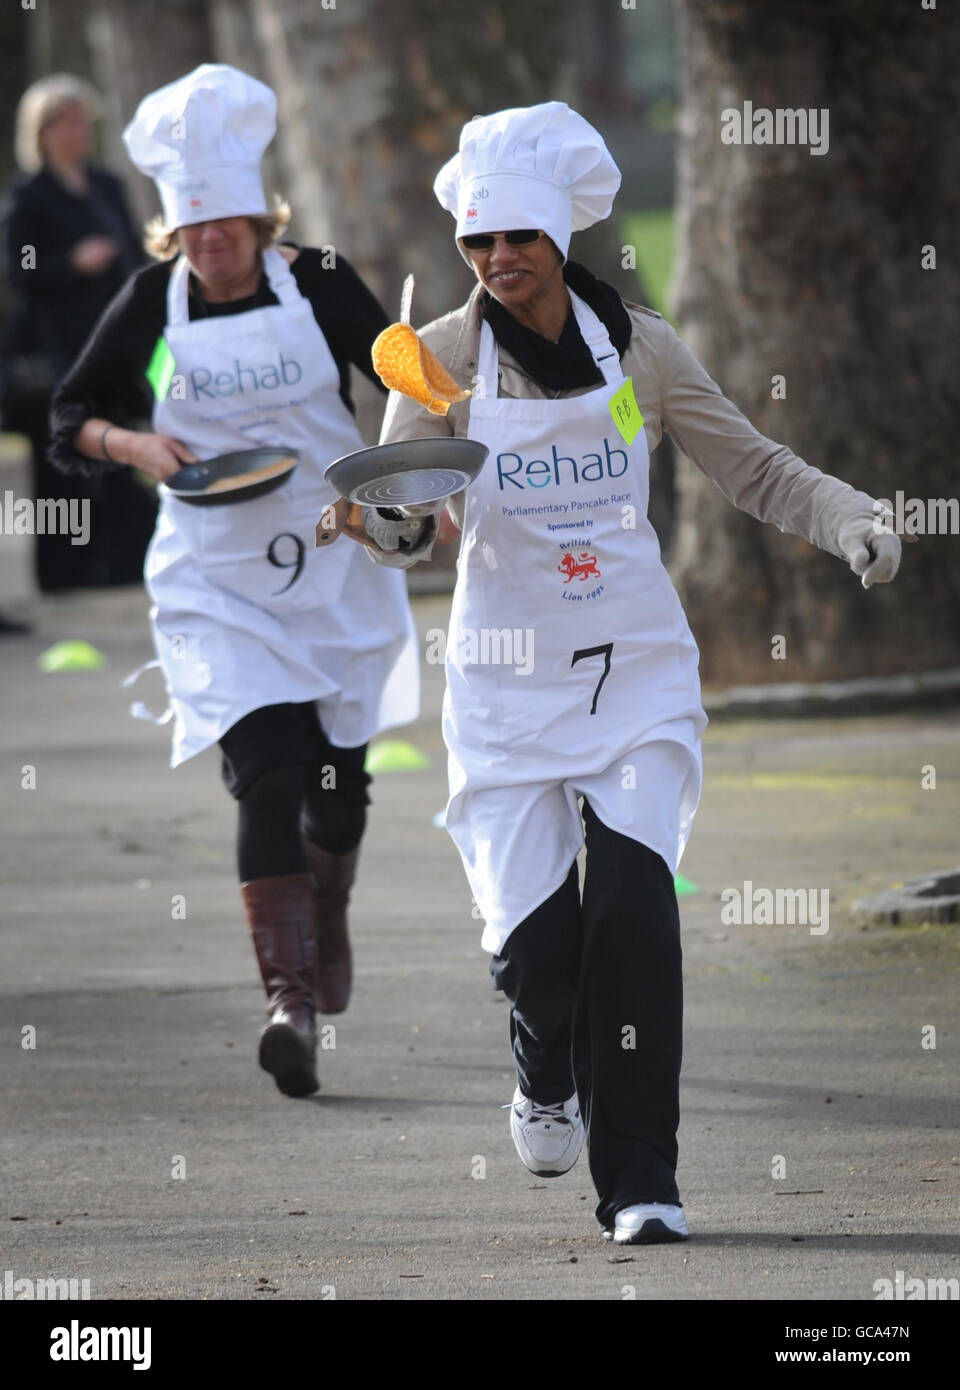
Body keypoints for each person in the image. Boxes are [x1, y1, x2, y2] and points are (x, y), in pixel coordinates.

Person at [352, 102, 902, 1243]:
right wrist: (379, 520)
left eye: (518, 239)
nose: (499, 260)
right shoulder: (439, 359)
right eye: (478, 243)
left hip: (635, 673)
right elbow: (406, 520)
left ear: (560, 238)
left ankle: (642, 1179)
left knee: (638, 918)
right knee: (542, 958)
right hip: (505, 688)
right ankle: (541, 1062)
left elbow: (752, 466)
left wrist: (849, 517)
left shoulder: (640, 347)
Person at [49, 65, 420, 1100]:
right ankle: (288, 1004)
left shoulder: (322, 277)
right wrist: (133, 443)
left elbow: (397, 379)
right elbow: (67, 416)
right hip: (216, 578)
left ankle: (327, 902)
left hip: (334, 562)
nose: (212, 247)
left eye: (229, 228)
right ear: (175, 234)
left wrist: (419, 435)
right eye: (194, 232)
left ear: (261, 220)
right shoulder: (148, 297)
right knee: (266, 774)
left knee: (339, 793)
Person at [0, 74, 152, 591]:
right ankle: (65, 575)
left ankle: (125, 564)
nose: (78, 132)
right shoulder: (27, 198)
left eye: (82, 122)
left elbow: (134, 251)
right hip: (55, 351)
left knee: (122, 448)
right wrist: (71, 264)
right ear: (42, 132)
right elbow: (18, 273)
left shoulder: (106, 185)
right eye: (66, 122)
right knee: (61, 465)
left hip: (113, 342)